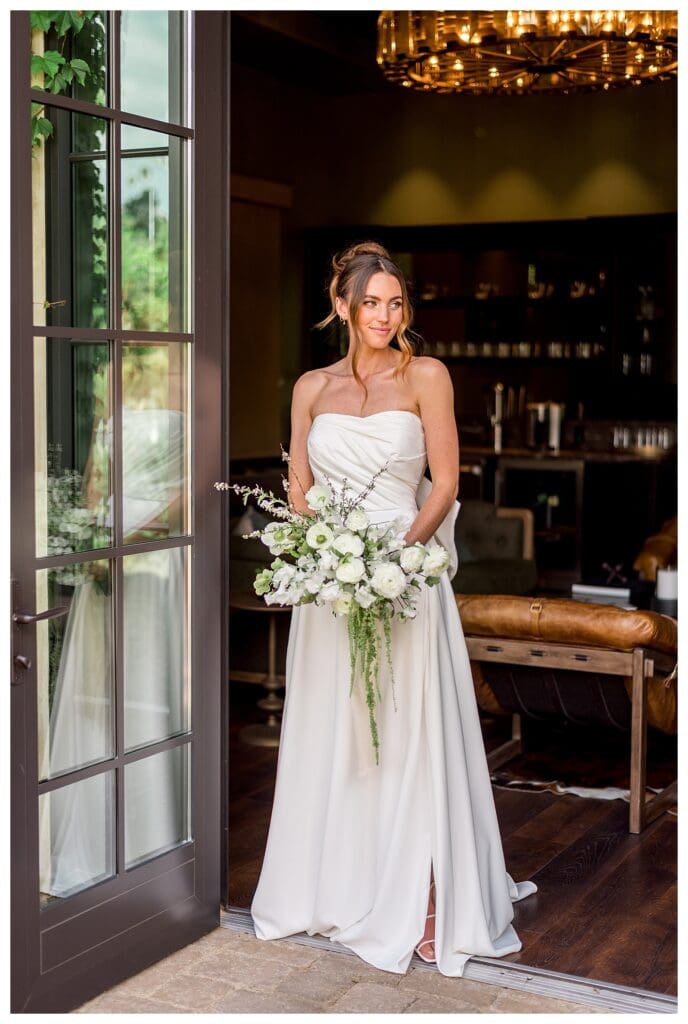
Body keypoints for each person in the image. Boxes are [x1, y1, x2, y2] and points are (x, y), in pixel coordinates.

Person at [250, 241, 536, 975]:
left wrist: (396, 558)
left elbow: (444, 484)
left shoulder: (428, 376)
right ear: (341, 307)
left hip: (404, 575)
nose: (385, 314)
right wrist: (323, 560)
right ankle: (342, 883)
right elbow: (300, 488)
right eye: (371, 302)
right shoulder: (311, 388)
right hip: (333, 592)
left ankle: (433, 898)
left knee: (414, 738)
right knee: (339, 737)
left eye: (396, 302)